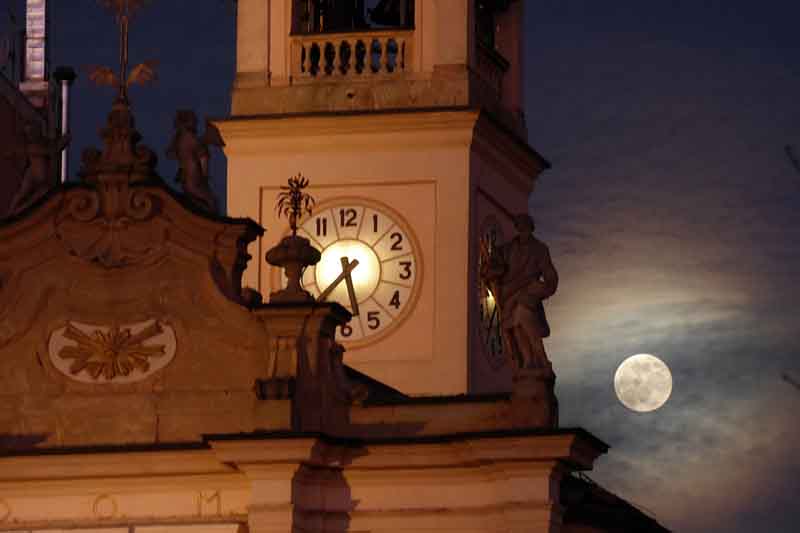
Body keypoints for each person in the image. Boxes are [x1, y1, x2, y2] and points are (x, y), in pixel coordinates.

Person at [482, 213, 559, 370]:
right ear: (517, 228)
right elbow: (496, 267)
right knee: (517, 328)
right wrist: (492, 268)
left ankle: (540, 358)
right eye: (519, 226)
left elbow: (550, 277)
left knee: (523, 316)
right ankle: (529, 361)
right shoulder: (508, 249)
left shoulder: (540, 249)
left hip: (528, 293)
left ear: (530, 228)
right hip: (509, 294)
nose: (522, 229)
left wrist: (541, 289)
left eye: (525, 226)